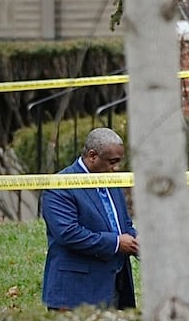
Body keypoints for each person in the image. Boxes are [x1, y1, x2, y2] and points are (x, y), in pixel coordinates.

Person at [40, 127, 138, 310]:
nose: (116, 168)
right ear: (92, 156)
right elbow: (68, 233)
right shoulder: (60, 185)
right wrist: (116, 243)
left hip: (116, 288)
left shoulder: (110, 180)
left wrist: (136, 240)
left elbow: (123, 223)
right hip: (75, 294)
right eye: (112, 162)